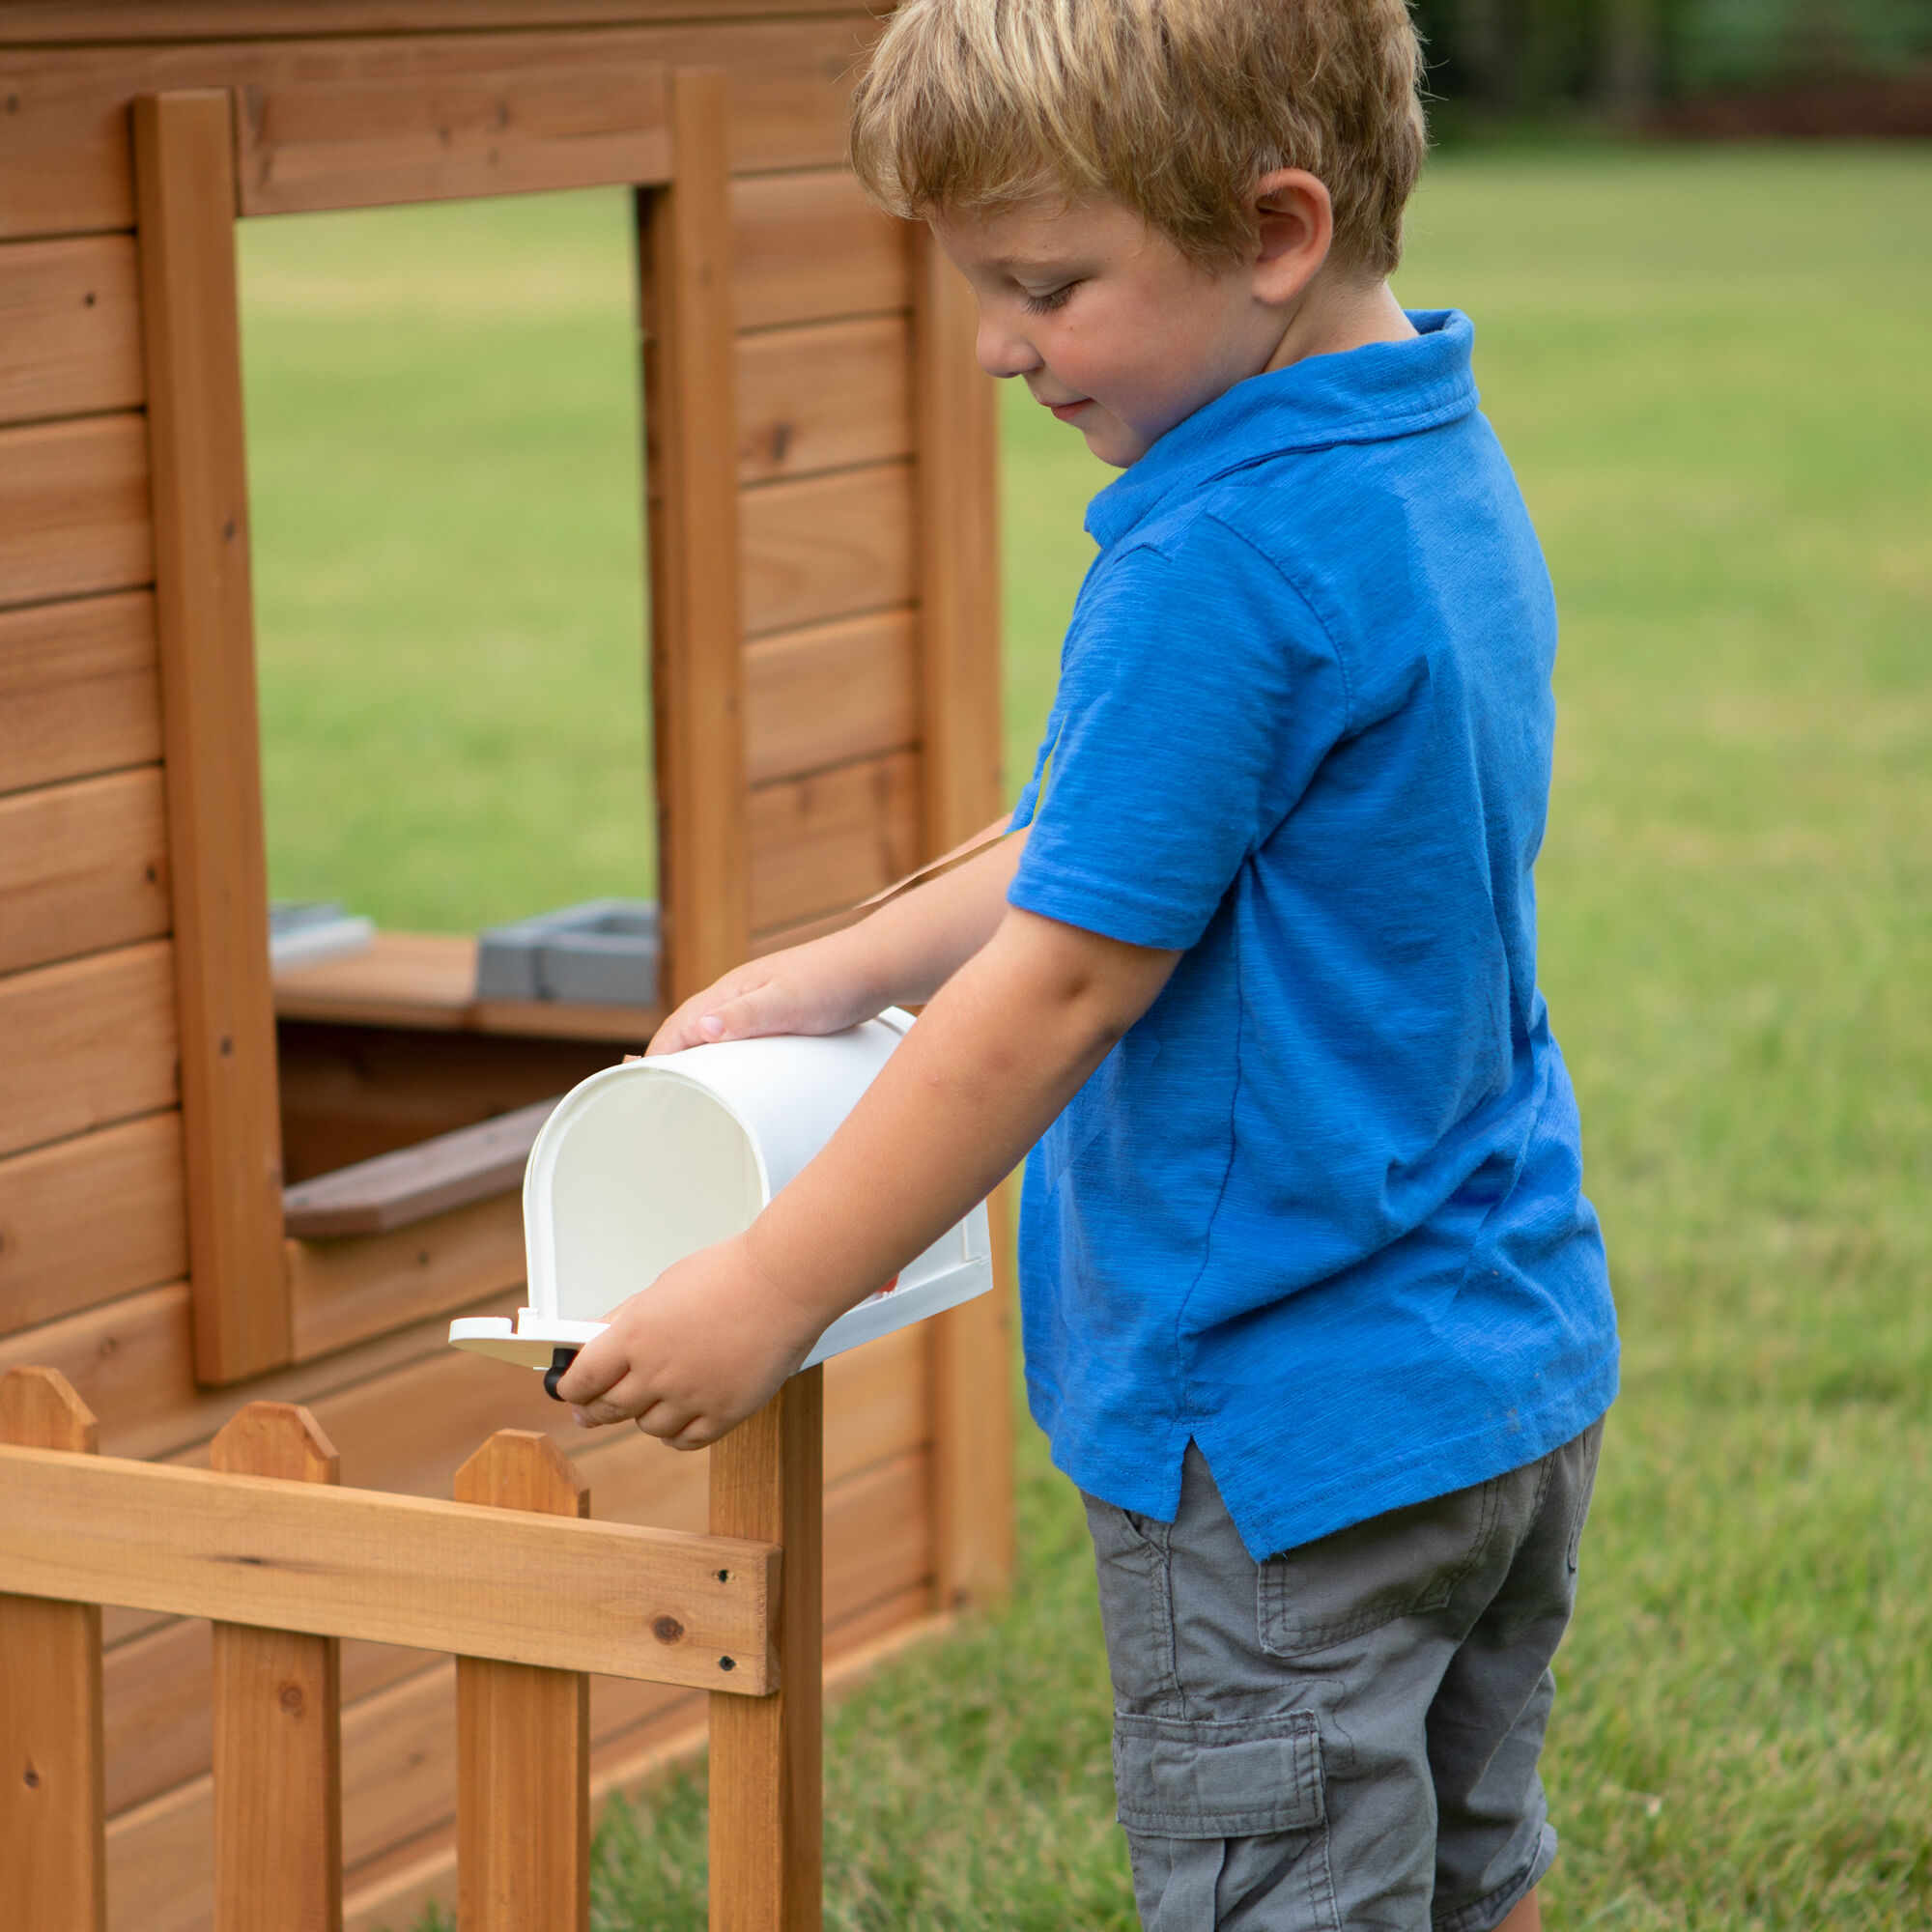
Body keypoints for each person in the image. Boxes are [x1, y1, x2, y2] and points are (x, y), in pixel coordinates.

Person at [558, 0, 1619, 1924]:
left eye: (1047, 284)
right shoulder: (1420, 450)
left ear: (1277, 230)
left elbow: (1061, 983)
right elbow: (1128, 834)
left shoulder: (1213, 556)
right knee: (1472, 1870)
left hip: (1281, 1418)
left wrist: (769, 1285)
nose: (996, 346)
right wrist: (835, 961)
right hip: (1495, 1366)